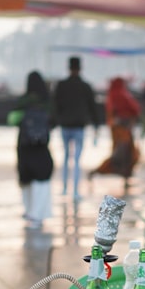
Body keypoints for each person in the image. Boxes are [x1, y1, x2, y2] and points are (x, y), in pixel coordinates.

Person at [52, 56, 100, 200]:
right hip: (79, 126)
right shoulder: (85, 86)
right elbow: (93, 107)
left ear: (69, 67)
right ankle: (76, 192)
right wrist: (96, 126)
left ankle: (65, 188)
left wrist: (54, 122)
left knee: (66, 157)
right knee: (77, 159)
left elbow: (55, 106)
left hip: (65, 126)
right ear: (80, 68)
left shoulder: (61, 85)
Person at [10, 71, 54, 229]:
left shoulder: (23, 101)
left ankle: (29, 211)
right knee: (42, 181)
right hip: (41, 147)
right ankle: (38, 215)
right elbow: (54, 121)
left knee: (26, 179)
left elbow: (12, 119)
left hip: (24, 146)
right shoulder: (47, 102)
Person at [90, 77, 141, 191]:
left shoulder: (111, 95)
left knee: (122, 154)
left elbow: (111, 115)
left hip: (118, 131)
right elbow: (135, 109)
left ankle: (122, 177)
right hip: (123, 131)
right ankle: (100, 172)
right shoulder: (122, 94)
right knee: (123, 155)